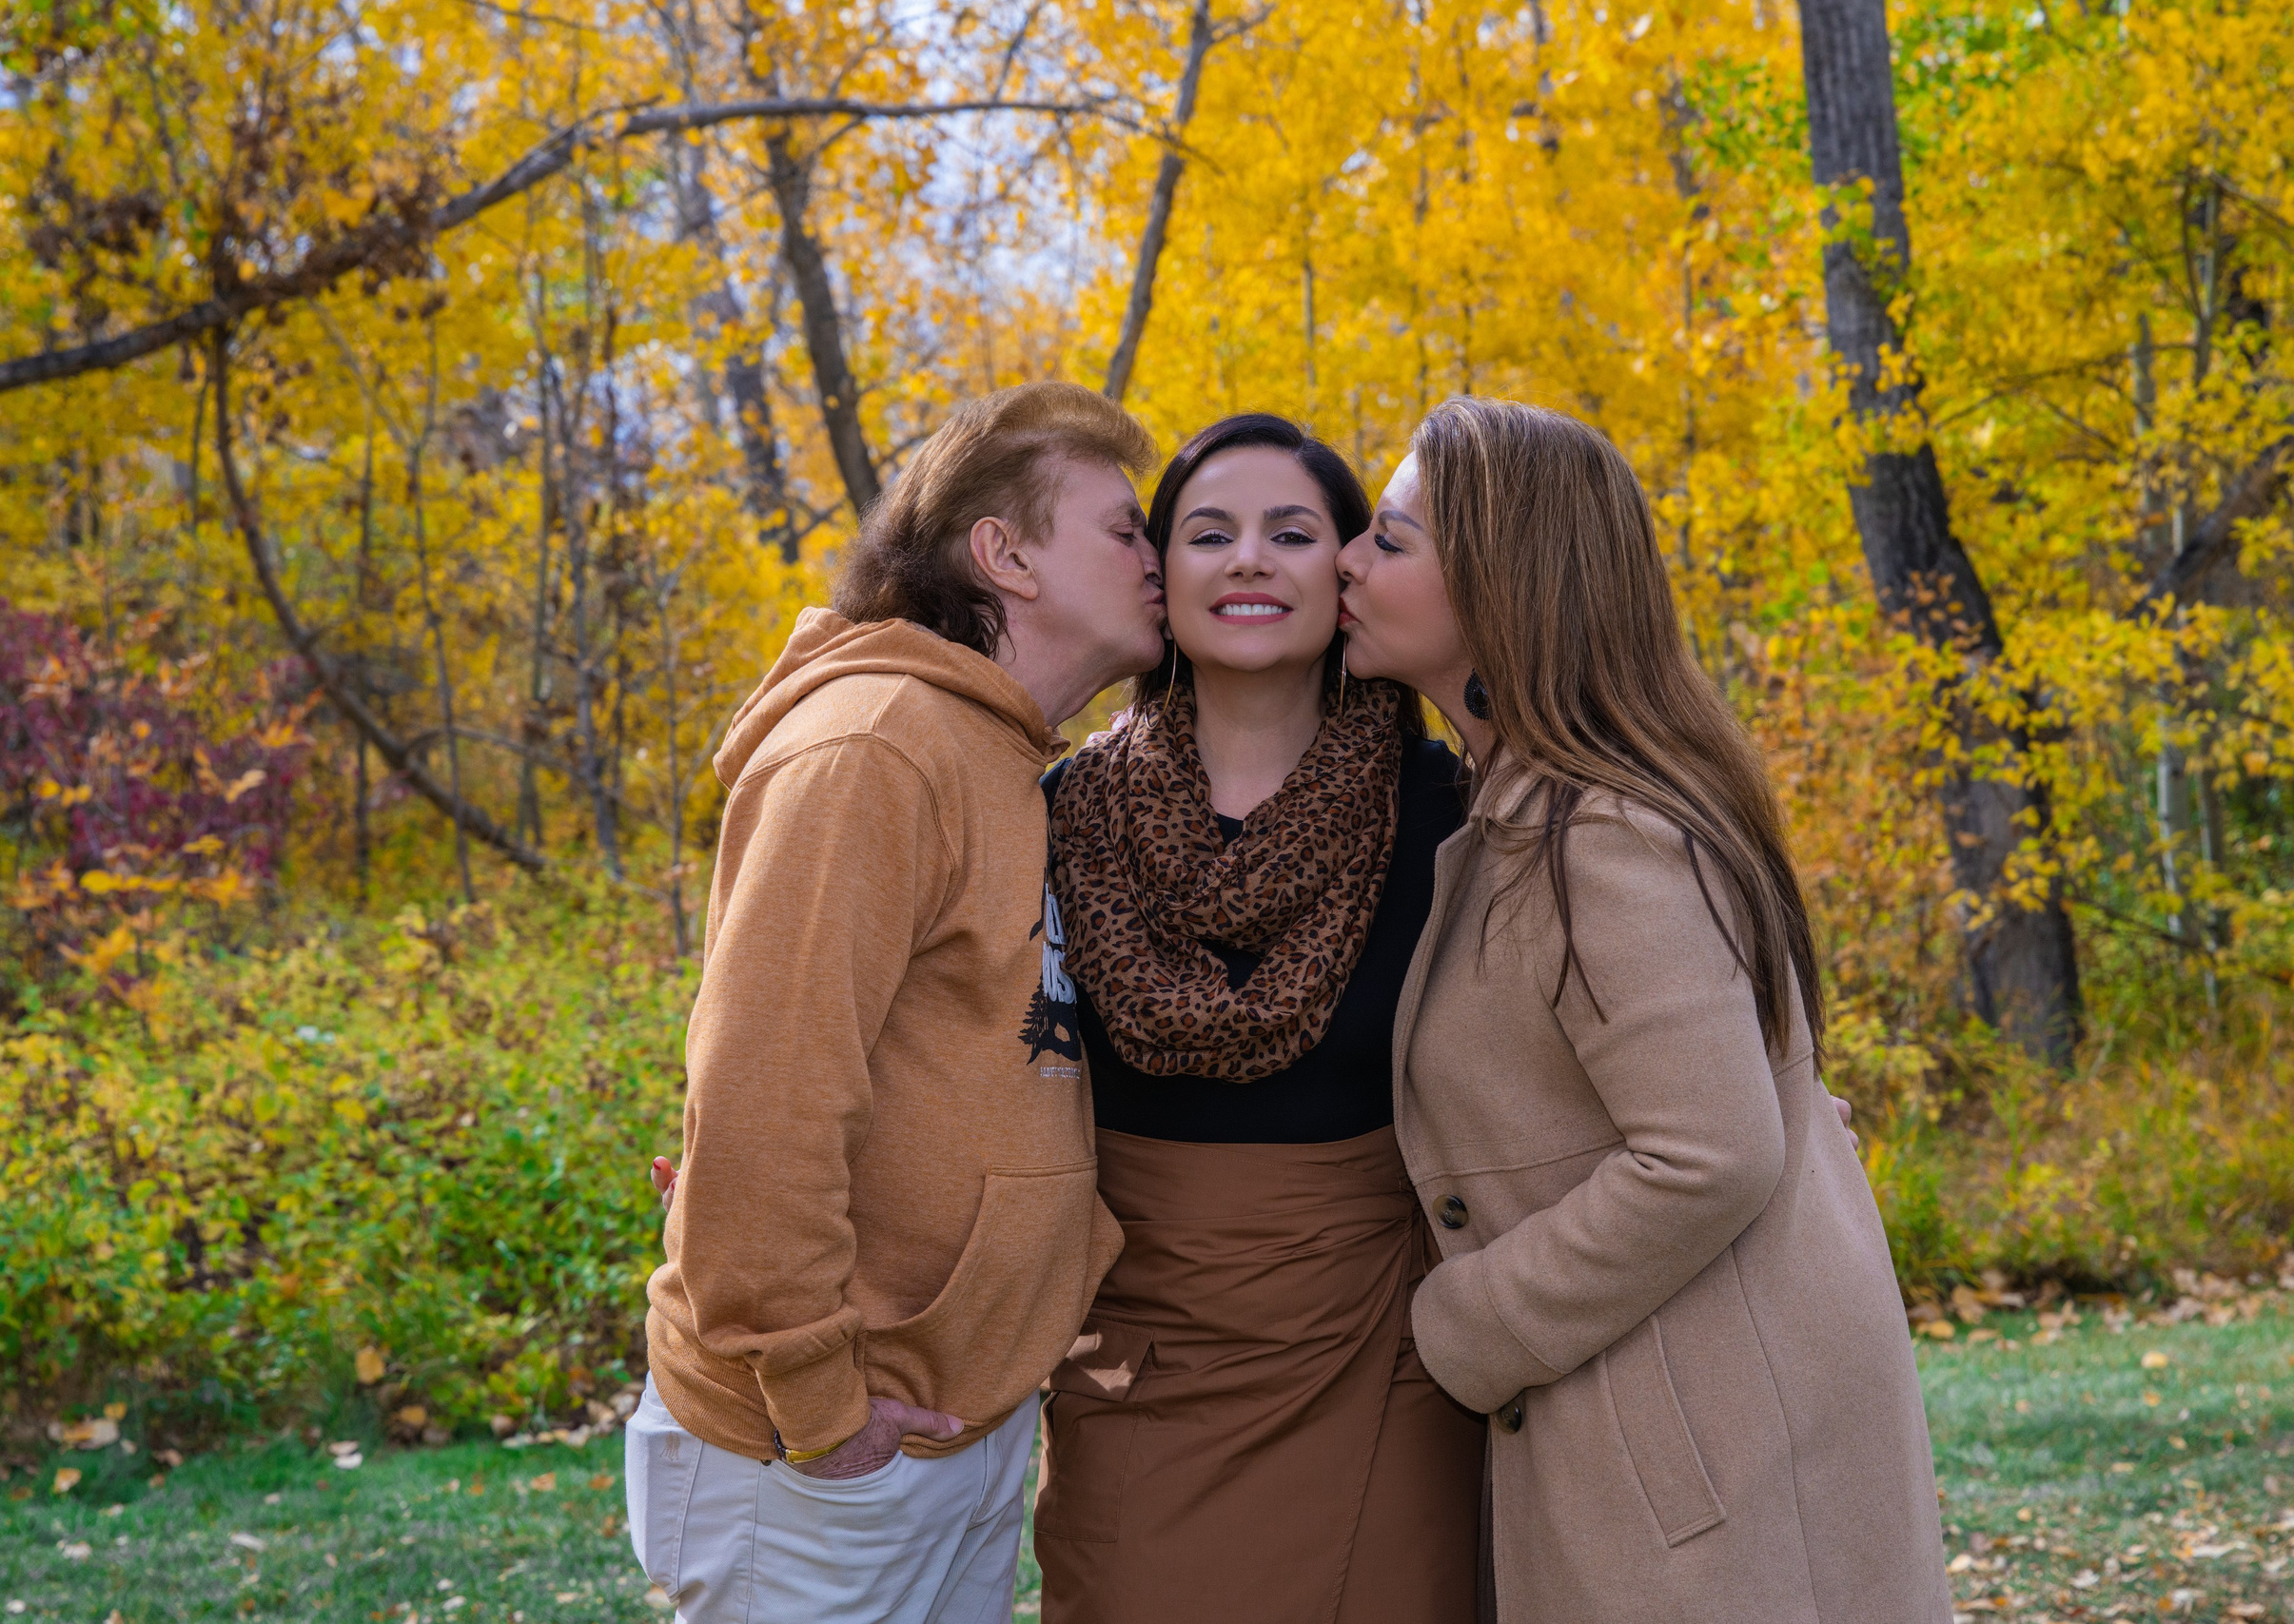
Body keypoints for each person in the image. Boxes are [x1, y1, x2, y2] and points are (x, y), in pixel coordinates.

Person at [1333, 396, 1953, 1622]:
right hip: (1685, 1414)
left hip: (1704, 1454)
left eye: (1391, 540)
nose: (1348, 559)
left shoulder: (1601, 837)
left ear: (1501, 588)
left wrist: (1471, 1320)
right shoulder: (1540, 808)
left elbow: (1711, 1152)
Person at [626, 381, 1169, 1624]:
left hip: (946, 1423)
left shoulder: (1007, 760)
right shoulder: (876, 742)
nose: (1160, 554)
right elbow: (763, 1107)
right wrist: (824, 1408)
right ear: (1006, 553)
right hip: (815, 1448)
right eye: (1125, 528)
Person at [1034, 415, 1485, 1624]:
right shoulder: (1052, 813)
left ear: (1346, 576)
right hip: (1132, 1361)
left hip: (1385, 1359)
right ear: (1158, 575)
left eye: (1292, 534)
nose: (1248, 560)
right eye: (1207, 533)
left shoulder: (1458, 812)